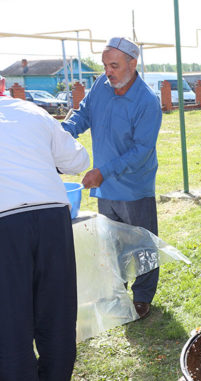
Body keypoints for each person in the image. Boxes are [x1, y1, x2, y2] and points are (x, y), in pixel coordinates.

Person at [62, 37, 162, 320]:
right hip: (104, 189)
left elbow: (141, 151)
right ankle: (116, 292)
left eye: (114, 65)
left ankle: (142, 298)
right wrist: (60, 133)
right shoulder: (100, 86)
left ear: (133, 63)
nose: (108, 71)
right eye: (105, 65)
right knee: (111, 243)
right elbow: (83, 115)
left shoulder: (147, 101)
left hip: (134, 188)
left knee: (142, 244)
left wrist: (103, 172)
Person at [0, 95, 89, 380]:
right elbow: (78, 159)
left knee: (10, 322)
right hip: (51, 216)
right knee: (57, 315)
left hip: (5, 222)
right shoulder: (32, 110)